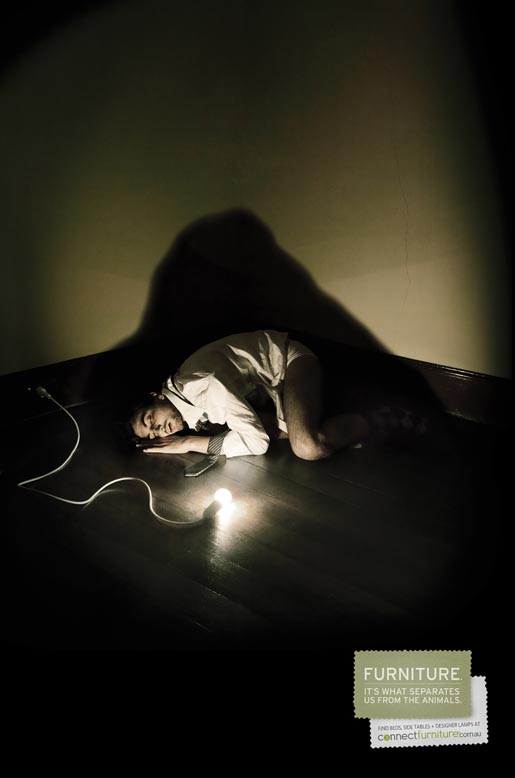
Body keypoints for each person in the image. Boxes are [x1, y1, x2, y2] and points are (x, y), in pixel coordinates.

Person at [129, 330, 369, 461]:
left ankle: (373, 421)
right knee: (264, 428)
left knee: (307, 446)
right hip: (268, 391)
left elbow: (257, 442)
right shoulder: (185, 397)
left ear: (157, 396)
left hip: (289, 362)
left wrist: (187, 443)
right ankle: (331, 414)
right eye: (154, 435)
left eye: (150, 420)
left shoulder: (201, 387)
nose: (160, 430)